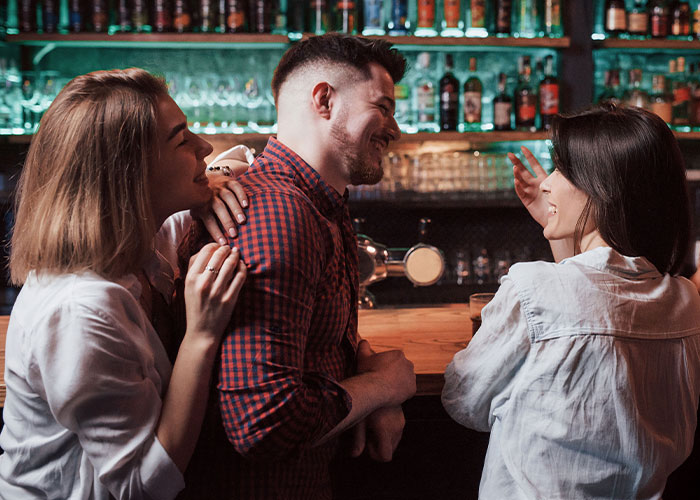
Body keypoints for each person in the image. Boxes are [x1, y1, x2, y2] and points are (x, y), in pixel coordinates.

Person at [176, 33, 416, 499]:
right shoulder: (282, 215)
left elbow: (309, 337)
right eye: (383, 107)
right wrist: (383, 387)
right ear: (324, 99)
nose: (395, 128)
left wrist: (366, 370)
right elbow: (262, 425)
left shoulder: (317, 204)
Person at [0, 68, 247, 499]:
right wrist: (201, 337)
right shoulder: (81, 311)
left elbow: (245, 158)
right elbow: (142, 487)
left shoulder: (140, 247)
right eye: (182, 139)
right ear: (129, 172)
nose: (205, 148)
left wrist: (214, 179)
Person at [441, 104, 700, 499]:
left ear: (605, 189)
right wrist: (562, 228)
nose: (546, 183)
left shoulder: (532, 286)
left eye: (562, 171)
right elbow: (592, 294)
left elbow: (464, 401)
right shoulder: (684, 299)